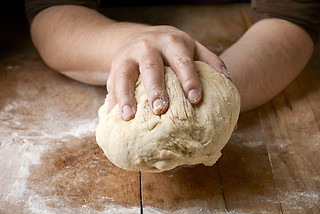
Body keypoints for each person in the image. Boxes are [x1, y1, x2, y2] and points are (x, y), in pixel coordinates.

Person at [25, 0, 319, 121]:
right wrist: (135, 46)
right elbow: (53, 14)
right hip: (105, 30)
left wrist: (215, 91)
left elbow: (292, 17)